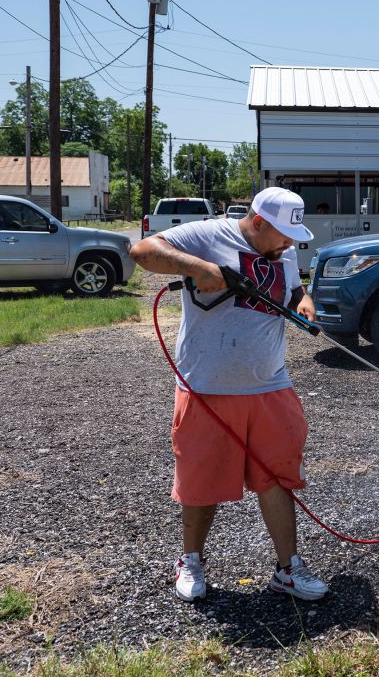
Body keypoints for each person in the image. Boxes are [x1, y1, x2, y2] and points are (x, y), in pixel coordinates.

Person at [129, 186, 327, 603]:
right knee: (202, 480)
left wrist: (303, 299)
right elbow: (143, 251)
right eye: (283, 234)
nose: (290, 243)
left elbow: (291, 288)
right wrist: (200, 267)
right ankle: (191, 560)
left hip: (270, 384)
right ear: (257, 222)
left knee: (277, 476)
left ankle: (287, 569)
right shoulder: (209, 234)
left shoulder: (284, 251)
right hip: (207, 387)